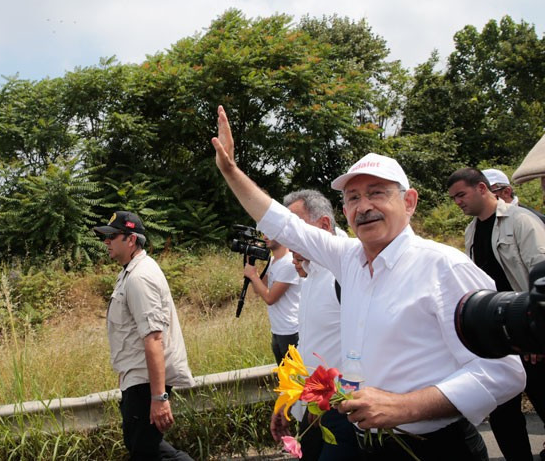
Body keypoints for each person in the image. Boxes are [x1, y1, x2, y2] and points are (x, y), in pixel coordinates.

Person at [211, 105, 525, 459]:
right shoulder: (349, 260)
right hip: (372, 447)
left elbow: (504, 371)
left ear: (409, 202)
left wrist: (406, 407)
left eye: (377, 193)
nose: (363, 207)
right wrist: (231, 171)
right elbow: (285, 225)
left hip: (437, 448)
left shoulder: (443, 266)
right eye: (353, 198)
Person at [447, 167, 545, 461]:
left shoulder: (521, 221)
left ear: (482, 188)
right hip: (497, 336)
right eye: (453, 198)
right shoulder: (471, 231)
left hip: (530, 332)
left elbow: (541, 275)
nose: (458, 203)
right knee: (502, 411)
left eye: (461, 195)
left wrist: (536, 333)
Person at [94, 210, 194, 461]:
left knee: (146, 451)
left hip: (145, 382)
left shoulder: (140, 277)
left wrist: (159, 397)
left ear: (130, 239)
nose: (106, 242)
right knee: (142, 448)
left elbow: (153, 338)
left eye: (112, 236)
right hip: (137, 380)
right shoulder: (130, 272)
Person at [270, 189, 359, 461]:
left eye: (295, 229)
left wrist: (325, 402)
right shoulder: (309, 271)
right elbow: (309, 345)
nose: (288, 239)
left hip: (345, 410)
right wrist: (288, 399)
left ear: (323, 225)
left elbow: (362, 350)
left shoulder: (349, 271)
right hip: (316, 405)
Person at [242, 238, 300, 366]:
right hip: (277, 330)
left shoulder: (289, 263)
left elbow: (270, 298)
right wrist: (250, 262)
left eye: (269, 232)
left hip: (290, 330)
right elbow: (259, 290)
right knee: (283, 378)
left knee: (294, 380)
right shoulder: (273, 261)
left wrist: (253, 275)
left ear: (282, 234)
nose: (264, 237)